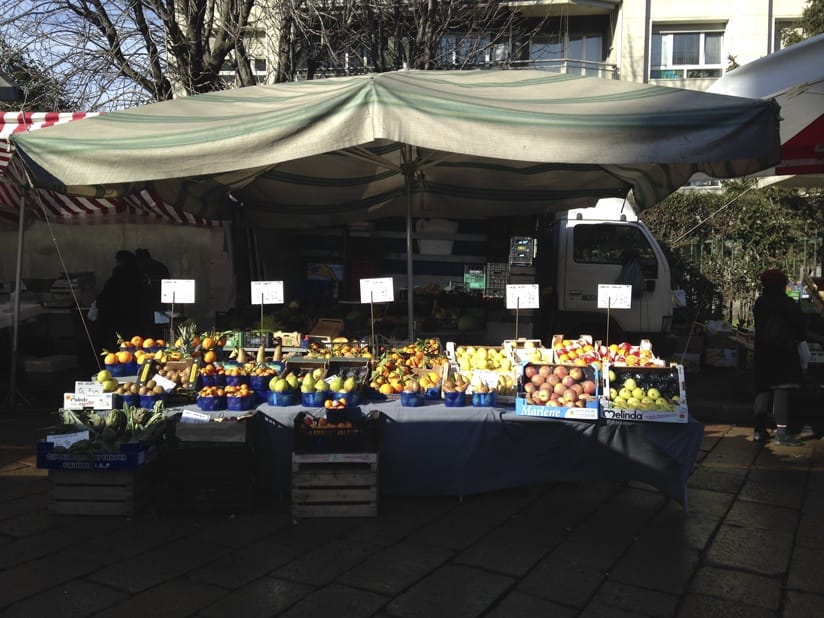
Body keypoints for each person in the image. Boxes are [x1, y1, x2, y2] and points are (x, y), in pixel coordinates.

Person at [752, 268, 807, 445]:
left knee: (764, 389)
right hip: (783, 351)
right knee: (781, 389)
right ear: (782, 284)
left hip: (763, 351)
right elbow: (800, 328)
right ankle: (782, 432)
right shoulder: (787, 303)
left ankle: (759, 431)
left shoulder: (760, 302)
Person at [94, 250, 143, 349]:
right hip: (134, 320)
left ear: (120, 262)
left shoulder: (115, 279)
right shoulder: (140, 279)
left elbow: (102, 300)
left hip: (114, 321)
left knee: (116, 350)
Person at [135, 248, 170, 336]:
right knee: (161, 330)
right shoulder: (161, 266)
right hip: (160, 304)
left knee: (147, 332)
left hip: (147, 306)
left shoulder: (141, 268)